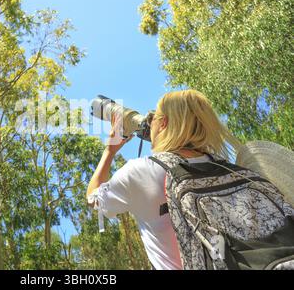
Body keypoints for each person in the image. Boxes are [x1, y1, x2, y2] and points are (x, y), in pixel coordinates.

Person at [86, 89, 242, 270]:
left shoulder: (141, 172)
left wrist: (109, 151)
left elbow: (93, 199)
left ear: (163, 123)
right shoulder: (225, 168)